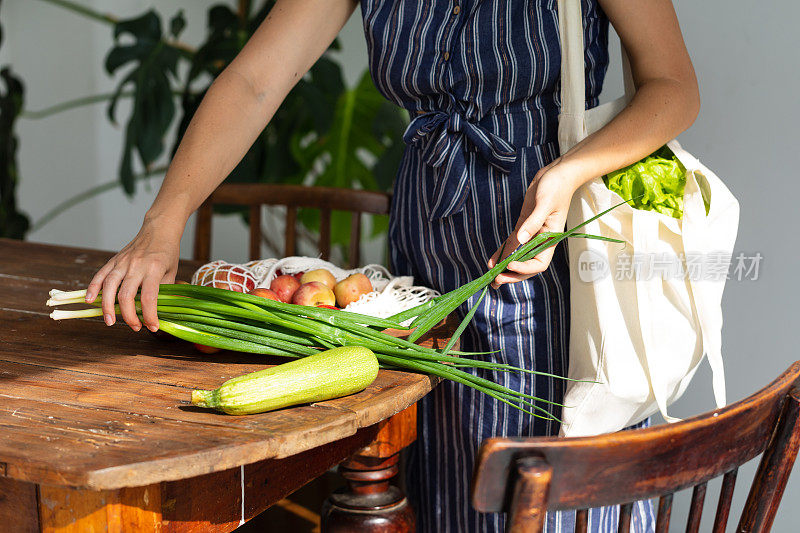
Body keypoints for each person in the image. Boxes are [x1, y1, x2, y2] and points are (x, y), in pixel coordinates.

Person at [87, 1, 699, 531]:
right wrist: (163, 222)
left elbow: (672, 85)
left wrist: (567, 175)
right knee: (434, 484)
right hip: (426, 247)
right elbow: (256, 81)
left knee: (546, 490)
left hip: (549, 243)